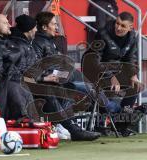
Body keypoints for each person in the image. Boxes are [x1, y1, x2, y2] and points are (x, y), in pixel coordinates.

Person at [33, 11, 100, 141]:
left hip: (54, 81)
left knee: (75, 86)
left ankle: (63, 125)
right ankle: (72, 129)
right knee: (82, 88)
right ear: (44, 27)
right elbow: (35, 68)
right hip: (42, 84)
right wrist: (52, 75)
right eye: (53, 24)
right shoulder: (38, 43)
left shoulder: (50, 41)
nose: (57, 27)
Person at [91, 12, 144, 136]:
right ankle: (102, 122)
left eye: (123, 26)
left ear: (130, 27)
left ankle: (122, 123)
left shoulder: (132, 36)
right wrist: (111, 77)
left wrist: (133, 75)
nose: (118, 28)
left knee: (135, 86)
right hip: (98, 71)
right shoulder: (103, 33)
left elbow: (131, 59)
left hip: (118, 71)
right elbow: (95, 60)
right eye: (117, 23)